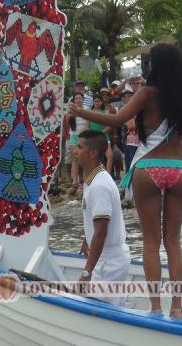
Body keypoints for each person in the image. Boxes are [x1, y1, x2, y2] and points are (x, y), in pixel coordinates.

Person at [69, 43, 182, 318]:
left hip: (148, 168)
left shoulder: (147, 93)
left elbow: (117, 119)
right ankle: (177, 307)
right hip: (179, 168)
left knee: (151, 242)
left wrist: (82, 113)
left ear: (155, 66)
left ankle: (156, 307)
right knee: (173, 242)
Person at [74, 130, 131, 306]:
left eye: (79, 147)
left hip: (109, 262)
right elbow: (95, 222)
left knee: (98, 310)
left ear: (92, 153)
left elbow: (101, 232)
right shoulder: (93, 180)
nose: (74, 151)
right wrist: (87, 239)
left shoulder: (99, 185)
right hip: (105, 257)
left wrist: (86, 272)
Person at [64, 92, 88, 185]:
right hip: (73, 136)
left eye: (80, 98)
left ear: (83, 99)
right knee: (75, 159)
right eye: (76, 98)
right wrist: (70, 114)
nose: (78, 100)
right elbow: (67, 124)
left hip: (83, 136)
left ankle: (85, 179)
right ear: (74, 100)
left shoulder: (86, 109)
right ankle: (74, 181)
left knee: (84, 158)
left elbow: (88, 123)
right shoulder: (70, 110)